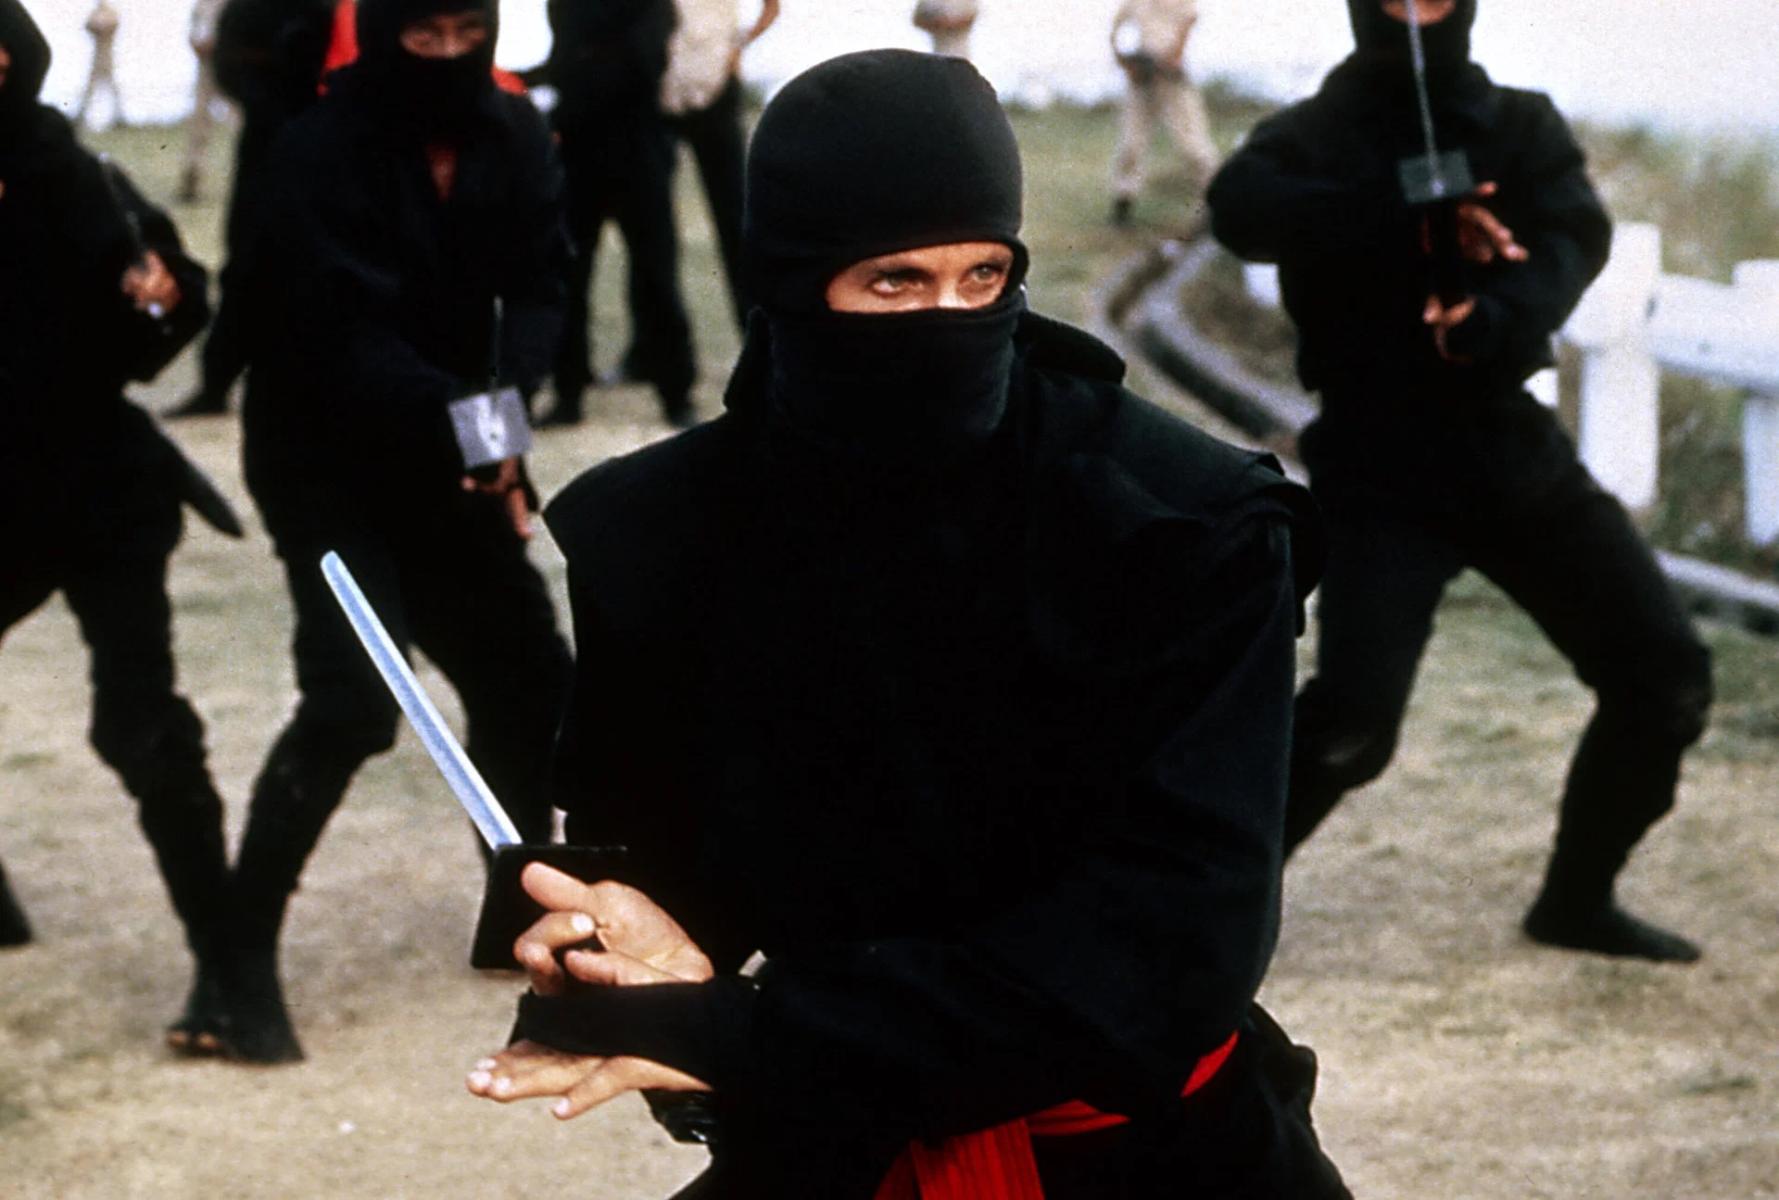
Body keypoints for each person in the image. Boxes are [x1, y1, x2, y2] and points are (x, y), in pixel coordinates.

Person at [466, 49, 1352, 1199]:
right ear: (794, 284)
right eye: (894, 283)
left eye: (983, 276)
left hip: (1162, 1155)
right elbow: (677, 857)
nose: (949, 319)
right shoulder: (666, 536)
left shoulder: (1180, 527)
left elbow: (1169, 953)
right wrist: (635, 940)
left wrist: (745, 1035)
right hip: (842, 1143)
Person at [1207, 0, 1712, 962]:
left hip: (1508, 447)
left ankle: (1575, 901)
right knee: (1353, 727)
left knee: (1665, 676)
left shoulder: (1520, 123)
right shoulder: (1307, 134)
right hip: (1377, 463)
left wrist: (1496, 315)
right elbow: (1240, 211)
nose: (1413, 6)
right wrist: (1409, 200)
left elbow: (1571, 234)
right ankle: (1195, 926)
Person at [225, 0, 574, 1062]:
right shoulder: (313, 149)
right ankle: (233, 965)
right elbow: (335, 330)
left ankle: (517, 920)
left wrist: (499, 432)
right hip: (323, 459)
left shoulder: (513, 133)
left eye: (469, 30)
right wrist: (472, 427)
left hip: (449, 451)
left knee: (527, 679)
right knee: (351, 702)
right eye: (425, 35)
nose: (450, 53)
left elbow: (542, 286)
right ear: (383, 34)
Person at [0, 0, 241, 1052]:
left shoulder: (73, 175)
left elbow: (164, 318)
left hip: (97, 487)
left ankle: (228, 970)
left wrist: (164, 295)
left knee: (140, 722)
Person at [525, 0, 695, 428]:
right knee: (569, 274)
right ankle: (568, 392)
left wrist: (576, 72)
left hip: (637, 150)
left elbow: (643, 62)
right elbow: (566, 59)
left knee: (657, 275)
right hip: (581, 151)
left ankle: (676, 394)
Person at [165, 0, 335, 417]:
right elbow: (232, 63)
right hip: (273, 142)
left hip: (324, 144)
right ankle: (217, 382)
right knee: (249, 265)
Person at [659, 0, 779, 329]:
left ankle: (754, 331)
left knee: (734, 216)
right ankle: (660, 343)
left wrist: (737, 47)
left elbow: (772, 7)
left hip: (716, 82)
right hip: (664, 86)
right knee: (654, 227)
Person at [1108, 0, 1218, 228]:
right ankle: (1123, 204)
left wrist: (1174, 57)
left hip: (1172, 79)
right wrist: (1124, 62)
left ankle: (1215, 203)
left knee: (1193, 146)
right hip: (1143, 80)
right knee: (1131, 144)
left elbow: (1188, 23)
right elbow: (1115, 28)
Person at [178, 0, 231, 204]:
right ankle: (192, 178)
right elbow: (193, 31)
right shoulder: (203, 5)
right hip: (206, 69)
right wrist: (197, 45)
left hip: (231, 69)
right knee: (199, 124)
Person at [76, 0, 123, 130]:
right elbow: (88, 26)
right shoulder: (95, 13)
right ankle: (81, 118)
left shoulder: (111, 13)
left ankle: (119, 118)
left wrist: (103, 27)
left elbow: (113, 25)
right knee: (89, 90)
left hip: (107, 57)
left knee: (112, 89)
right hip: (97, 58)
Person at [912, 0, 977, 60]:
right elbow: (917, 19)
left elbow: (968, 18)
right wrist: (937, 24)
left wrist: (944, 23)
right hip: (937, 51)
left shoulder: (963, 2)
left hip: (959, 53)